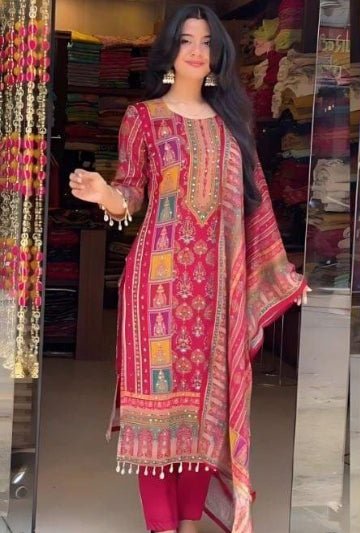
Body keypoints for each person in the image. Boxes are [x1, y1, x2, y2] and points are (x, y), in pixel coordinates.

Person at [69, 4, 310, 533]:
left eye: (206, 41)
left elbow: (256, 209)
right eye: (185, 40)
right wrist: (106, 194)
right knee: (154, 412)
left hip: (215, 291)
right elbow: (132, 191)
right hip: (156, 286)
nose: (197, 50)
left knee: (207, 410)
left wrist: (281, 276)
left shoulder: (233, 126)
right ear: (170, 52)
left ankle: (189, 522)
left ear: (218, 53)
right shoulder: (143, 118)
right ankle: (162, 526)